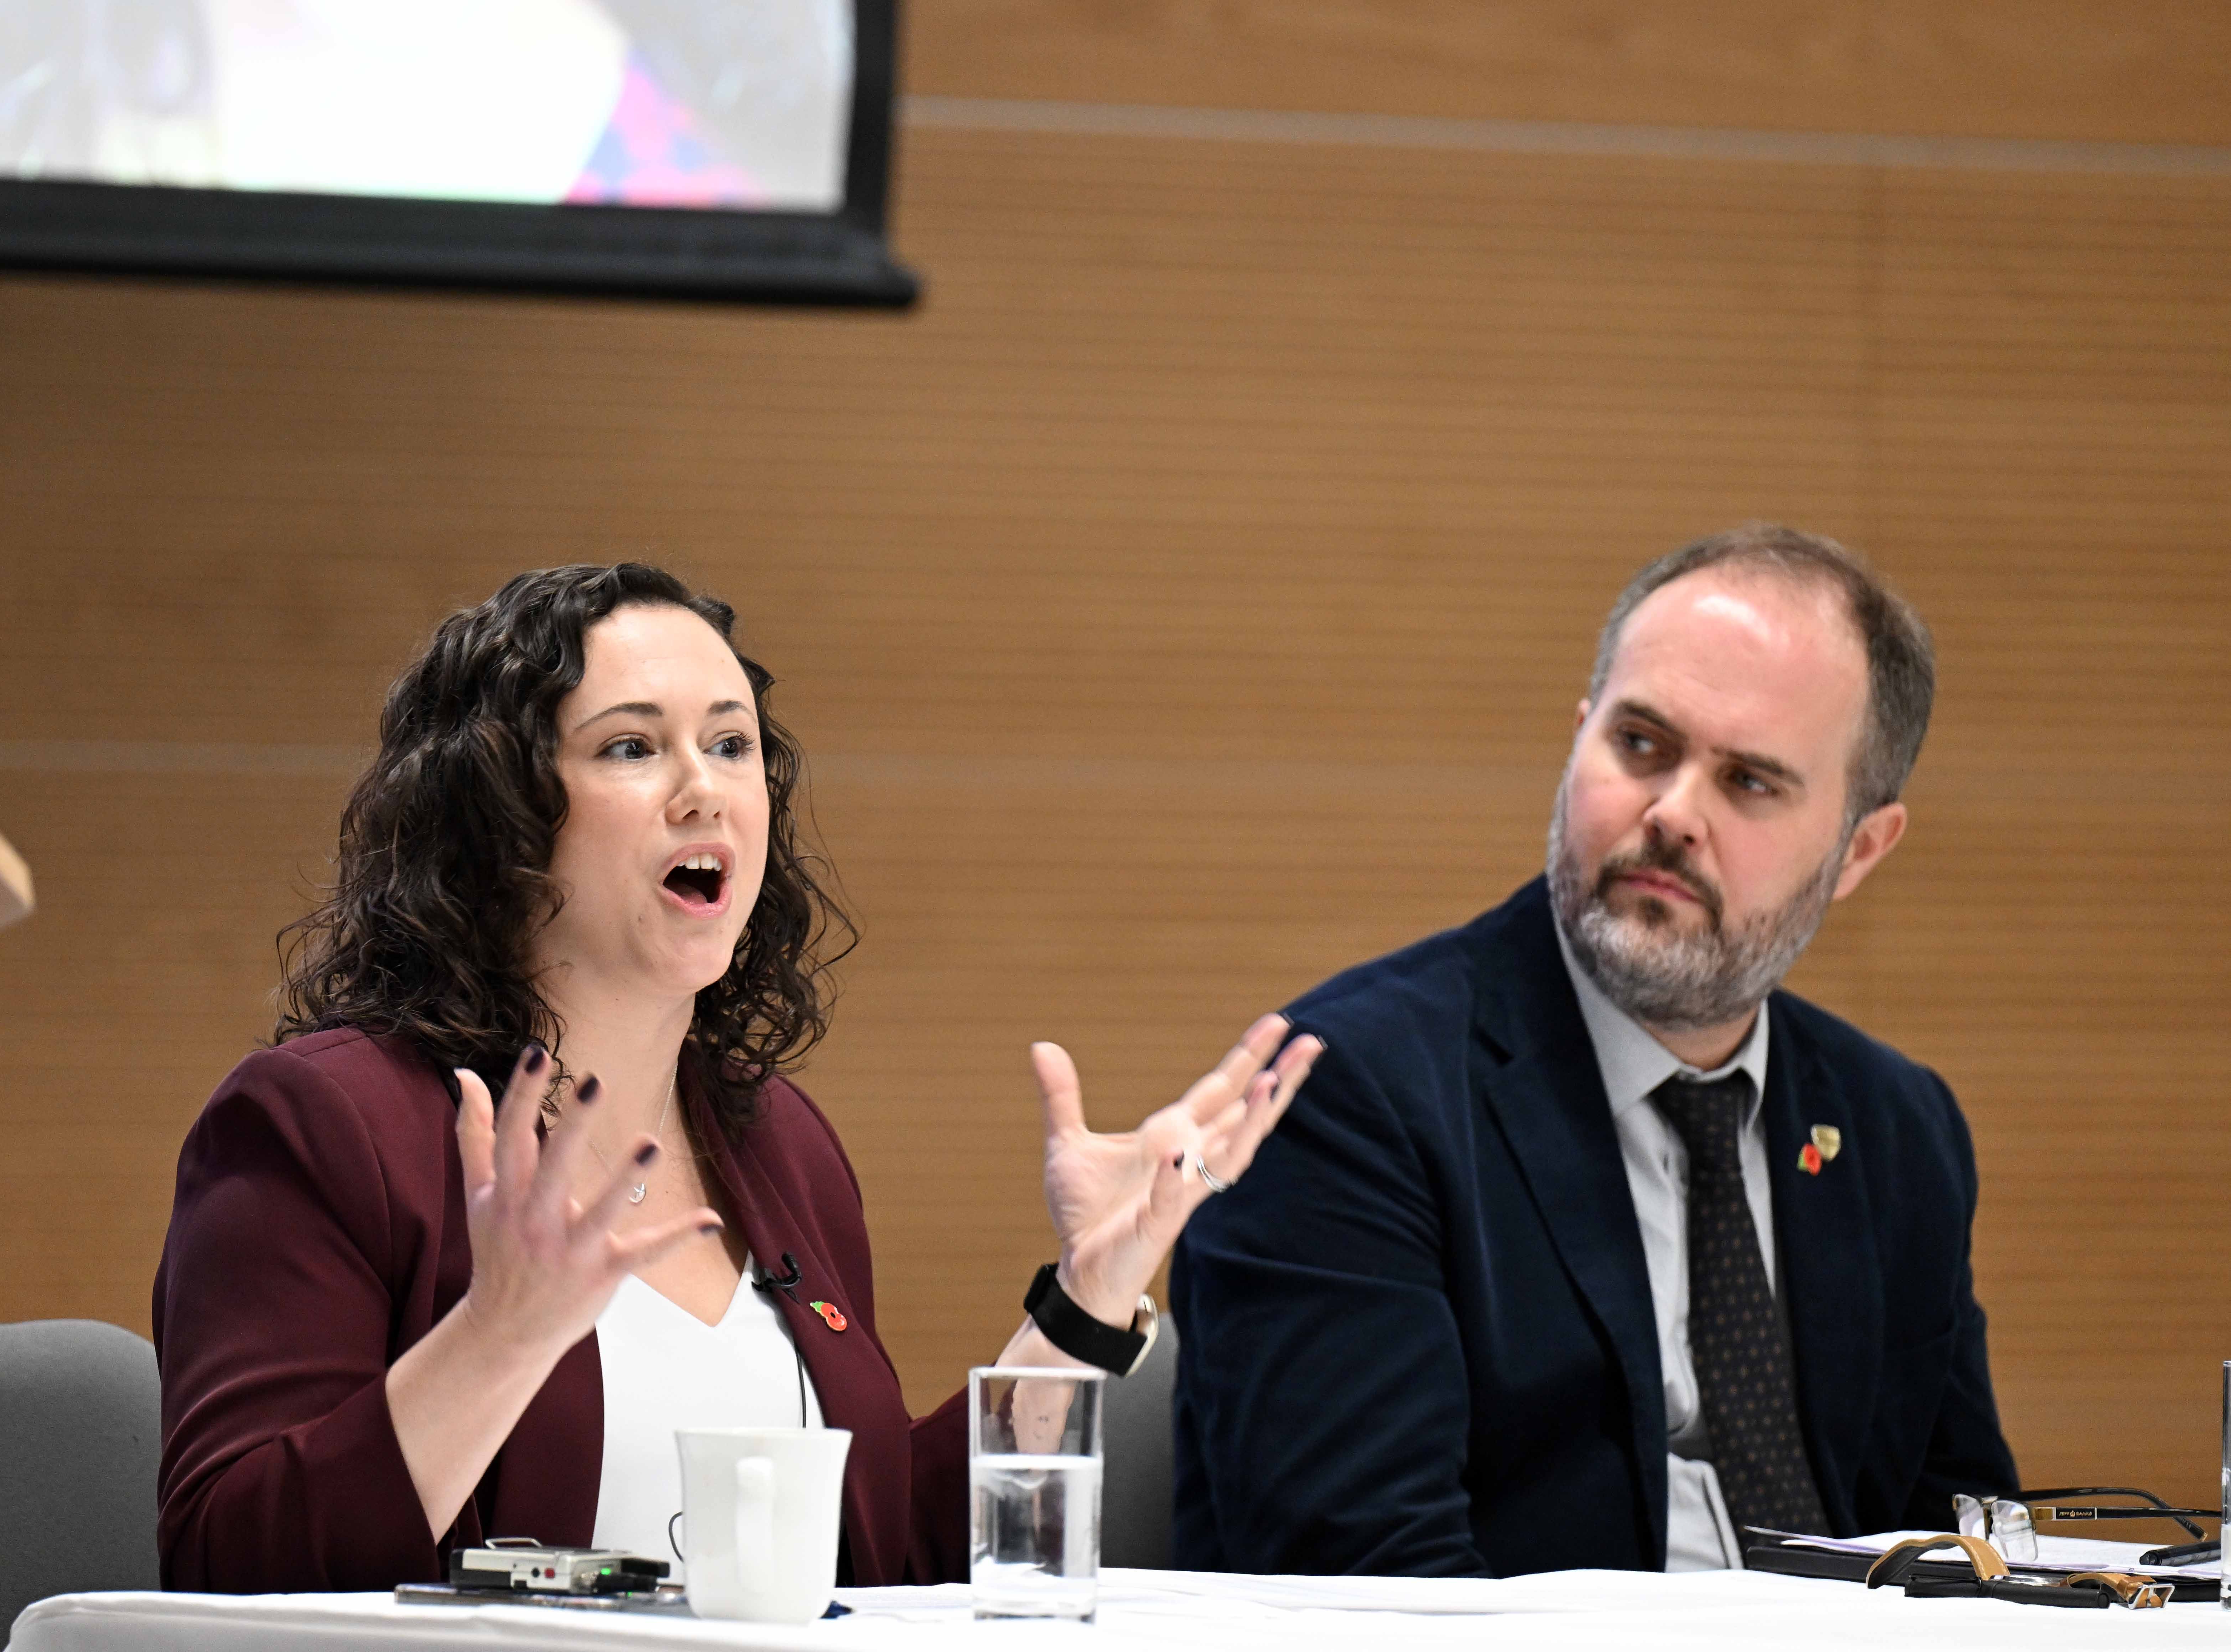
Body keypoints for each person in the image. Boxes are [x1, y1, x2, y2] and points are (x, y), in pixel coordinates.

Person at [153, 562, 1318, 1592]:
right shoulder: (329, 1124)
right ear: (497, 819)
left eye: (730, 743)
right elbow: (226, 1565)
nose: (704, 788)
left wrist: (1084, 1300)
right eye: (629, 746)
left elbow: (885, 1564)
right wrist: (500, 1336)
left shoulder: (778, 1143)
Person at [1171, 525, 2018, 1578]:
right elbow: (1370, 1593)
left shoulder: (1898, 1128)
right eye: (1642, 747)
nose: (1671, 815)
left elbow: (1970, 1551)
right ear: (1579, 743)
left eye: (1749, 783)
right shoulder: (1345, 1096)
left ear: (1858, 849)